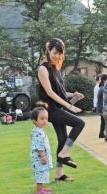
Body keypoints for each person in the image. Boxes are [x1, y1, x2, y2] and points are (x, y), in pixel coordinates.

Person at [37, 38, 85, 181]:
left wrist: (73, 95)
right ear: (49, 50)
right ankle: (64, 154)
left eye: (60, 53)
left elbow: (60, 92)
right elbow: (50, 93)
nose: (57, 56)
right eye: (55, 52)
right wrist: (70, 106)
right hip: (51, 110)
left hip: (57, 107)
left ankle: (59, 174)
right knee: (79, 123)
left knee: (62, 139)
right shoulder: (43, 68)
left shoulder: (56, 69)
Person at [30, 103, 53, 194]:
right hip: (39, 158)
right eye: (42, 119)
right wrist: (42, 156)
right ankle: (39, 191)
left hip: (41, 157)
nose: (45, 121)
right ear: (35, 121)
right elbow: (38, 146)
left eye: (46, 119)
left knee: (43, 172)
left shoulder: (40, 130)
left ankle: (42, 188)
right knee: (40, 172)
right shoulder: (37, 132)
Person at [97, 74, 107, 142]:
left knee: (106, 122)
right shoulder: (103, 88)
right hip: (103, 108)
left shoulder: (102, 88)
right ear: (104, 80)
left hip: (101, 108)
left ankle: (106, 136)